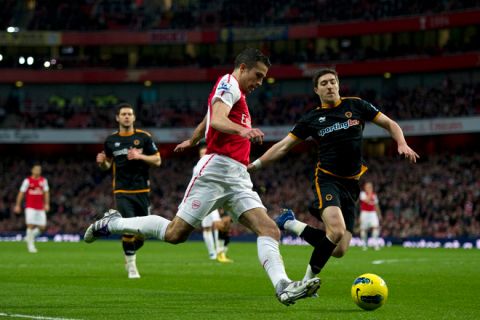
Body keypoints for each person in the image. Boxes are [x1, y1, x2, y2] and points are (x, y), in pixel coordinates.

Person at [85, 48, 320, 305]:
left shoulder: (234, 91)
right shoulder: (228, 83)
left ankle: (282, 286)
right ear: (242, 68)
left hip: (238, 175)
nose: (260, 83)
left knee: (269, 229)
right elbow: (218, 119)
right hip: (216, 171)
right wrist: (244, 130)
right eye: (258, 75)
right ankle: (111, 223)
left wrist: (194, 138)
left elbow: (210, 116)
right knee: (175, 234)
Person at [248, 68, 419, 285]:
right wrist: (255, 165)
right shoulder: (311, 119)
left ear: (338, 84)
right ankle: (305, 282)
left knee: (339, 249)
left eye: (332, 82)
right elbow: (283, 147)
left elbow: (390, 124)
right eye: (324, 83)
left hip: (352, 184)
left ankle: (290, 223)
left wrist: (401, 143)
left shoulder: (356, 105)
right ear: (316, 90)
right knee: (336, 231)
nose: (329, 86)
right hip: (327, 180)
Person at [95, 103, 161, 279]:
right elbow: (107, 165)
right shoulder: (110, 140)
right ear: (117, 117)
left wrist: (140, 156)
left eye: (129, 114)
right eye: (123, 114)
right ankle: (132, 267)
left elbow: (157, 160)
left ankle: (128, 254)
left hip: (142, 190)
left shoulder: (144, 137)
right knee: (128, 228)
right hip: (122, 190)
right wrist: (102, 162)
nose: (126, 116)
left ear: (134, 117)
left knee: (143, 234)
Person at [14, 164, 50, 253]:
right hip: (30, 207)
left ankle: (28, 237)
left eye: (39, 169)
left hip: (40, 207)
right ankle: (31, 246)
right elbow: (21, 193)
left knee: (42, 227)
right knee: (30, 225)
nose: (38, 171)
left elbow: (46, 193)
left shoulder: (43, 181)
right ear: (32, 170)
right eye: (36, 169)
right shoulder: (27, 181)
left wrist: (47, 204)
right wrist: (18, 205)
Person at [359, 181, 381, 250]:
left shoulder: (374, 195)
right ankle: (364, 245)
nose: (369, 188)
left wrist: (379, 214)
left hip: (372, 213)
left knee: (375, 227)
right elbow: (366, 201)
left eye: (370, 187)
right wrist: (370, 193)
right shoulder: (362, 194)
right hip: (364, 213)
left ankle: (375, 244)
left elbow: (376, 205)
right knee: (364, 229)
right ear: (365, 187)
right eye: (367, 187)